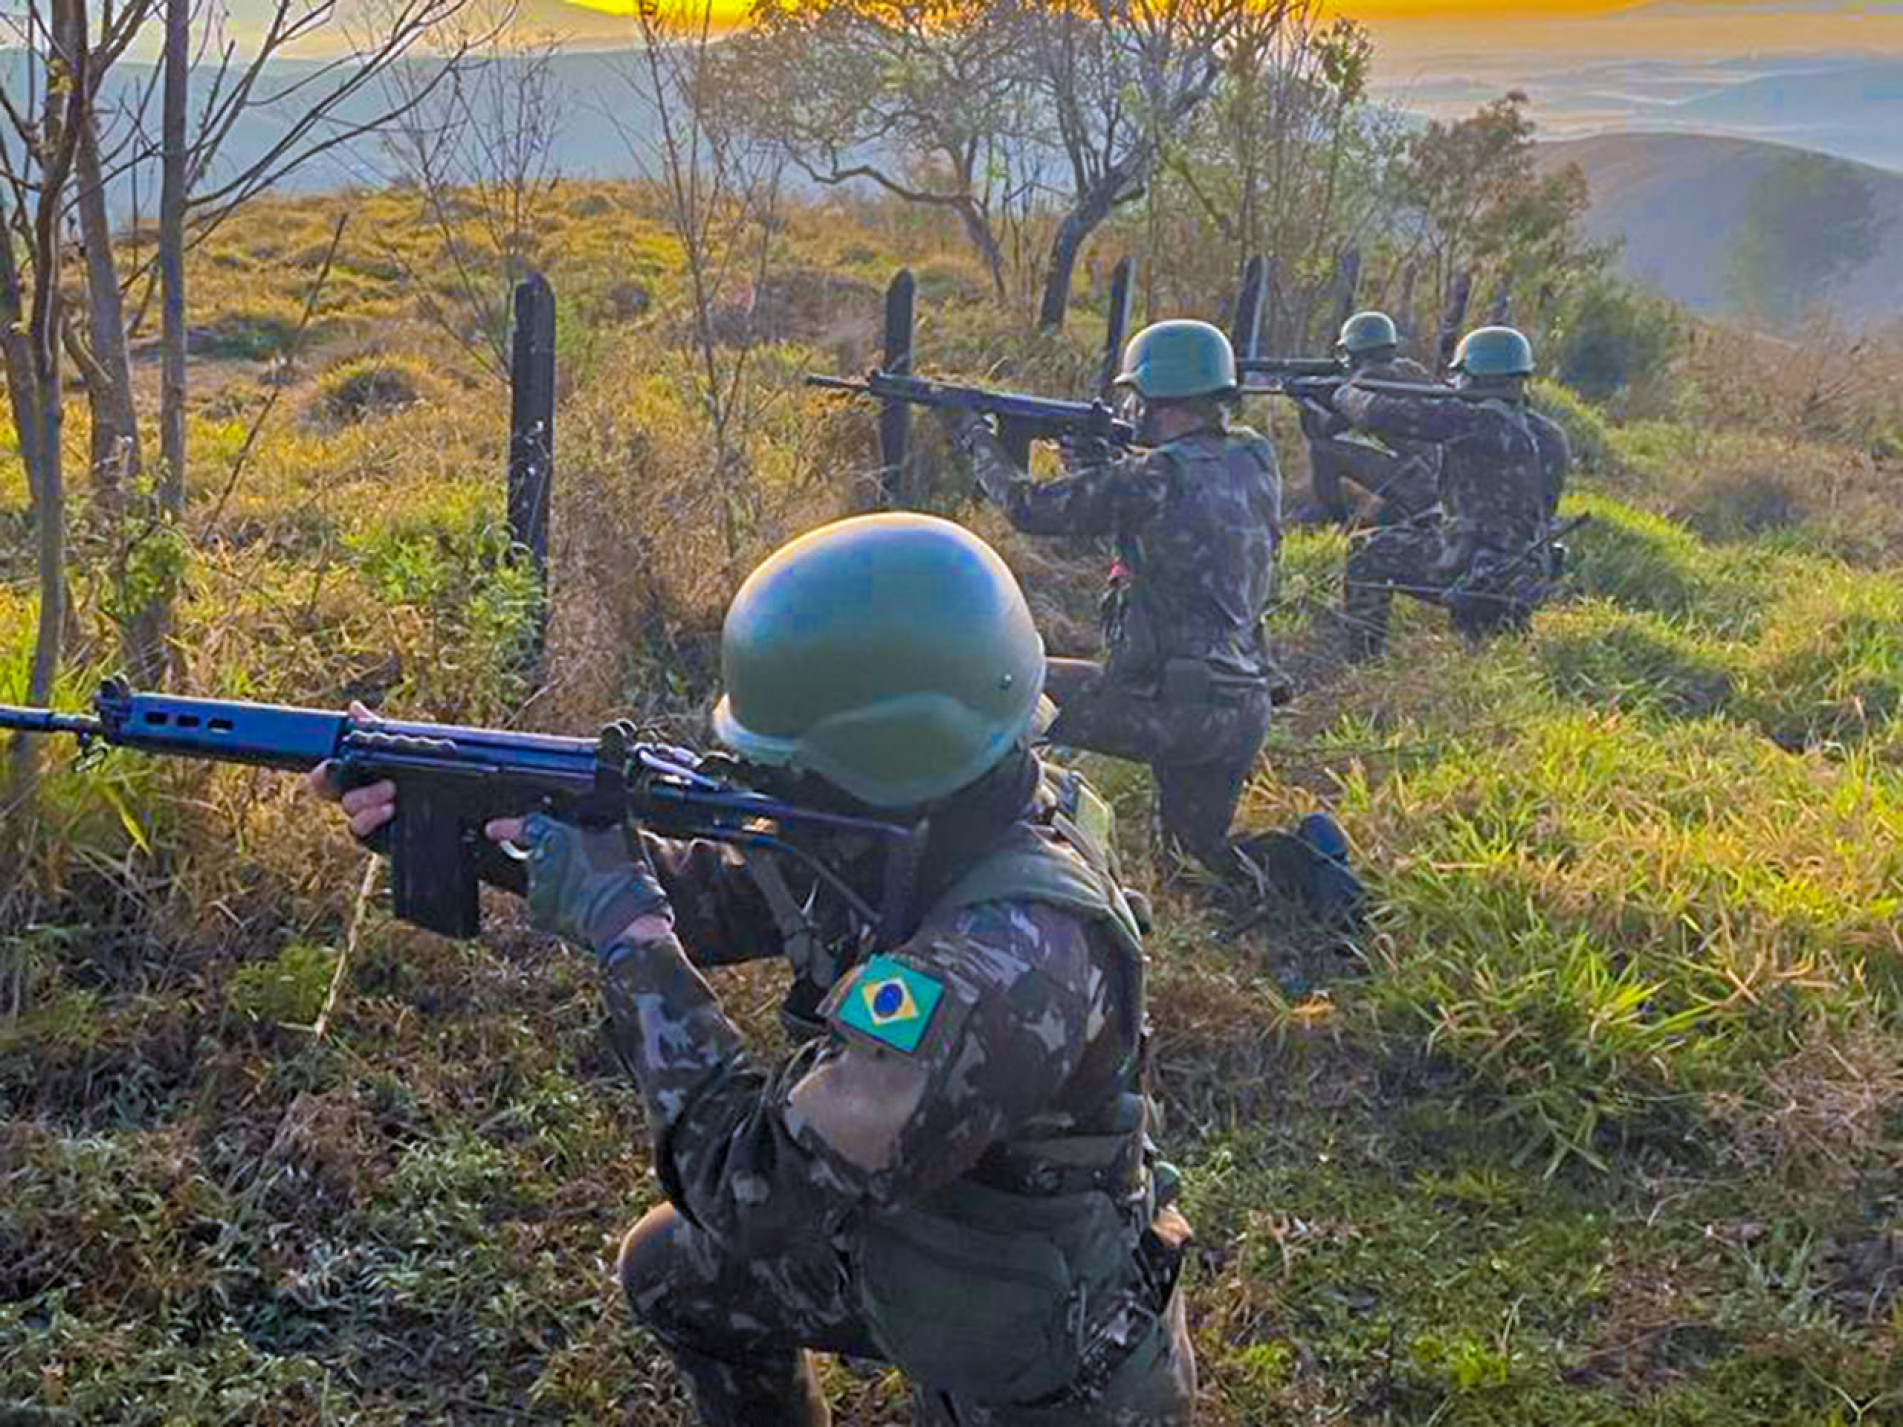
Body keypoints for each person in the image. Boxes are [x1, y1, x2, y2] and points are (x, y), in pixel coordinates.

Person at [311, 513, 1197, 1426]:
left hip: (1043, 1363)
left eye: (786, 774)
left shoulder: (1002, 963)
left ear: (876, 763)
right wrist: (483, 829)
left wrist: (626, 934)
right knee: (673, 1274)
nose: (763, 790)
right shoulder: (951, 812)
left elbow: (751, 1185)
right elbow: (737, 894)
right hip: (938, 1237)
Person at [937, 318, 1282, 879]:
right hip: (1241, 708)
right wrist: (1098, 465)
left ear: (1155, 399)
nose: (1128, 410)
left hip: (1178, 709)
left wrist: (975, 437)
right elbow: (1168, 521)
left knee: (1005, 688)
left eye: (1134, 397)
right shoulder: (1254, 457)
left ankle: (981, 855)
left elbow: (1028, 508)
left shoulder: (1154, 475)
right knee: (1196, 867)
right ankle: (1306, 872)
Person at [1319, 325, 1556, 662]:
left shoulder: (1478, 421)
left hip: (1480, 567)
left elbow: (1388, 415)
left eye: (1460, 376)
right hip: (1523, 567)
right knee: (1484, 655)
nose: (1455, 385)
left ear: (1476, 376)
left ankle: (1362, 662)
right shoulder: (1544, 433)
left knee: (1367, 551)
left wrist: (1342, 395)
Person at [1294, 310, 1442, 527]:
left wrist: (1307, 403)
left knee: (1321, 451)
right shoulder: (1411, 371)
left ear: (1354, 350)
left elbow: (1328, 429)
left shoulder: (1366, 380)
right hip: (1430, 475)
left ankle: (1336, 522)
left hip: (1414, 479)